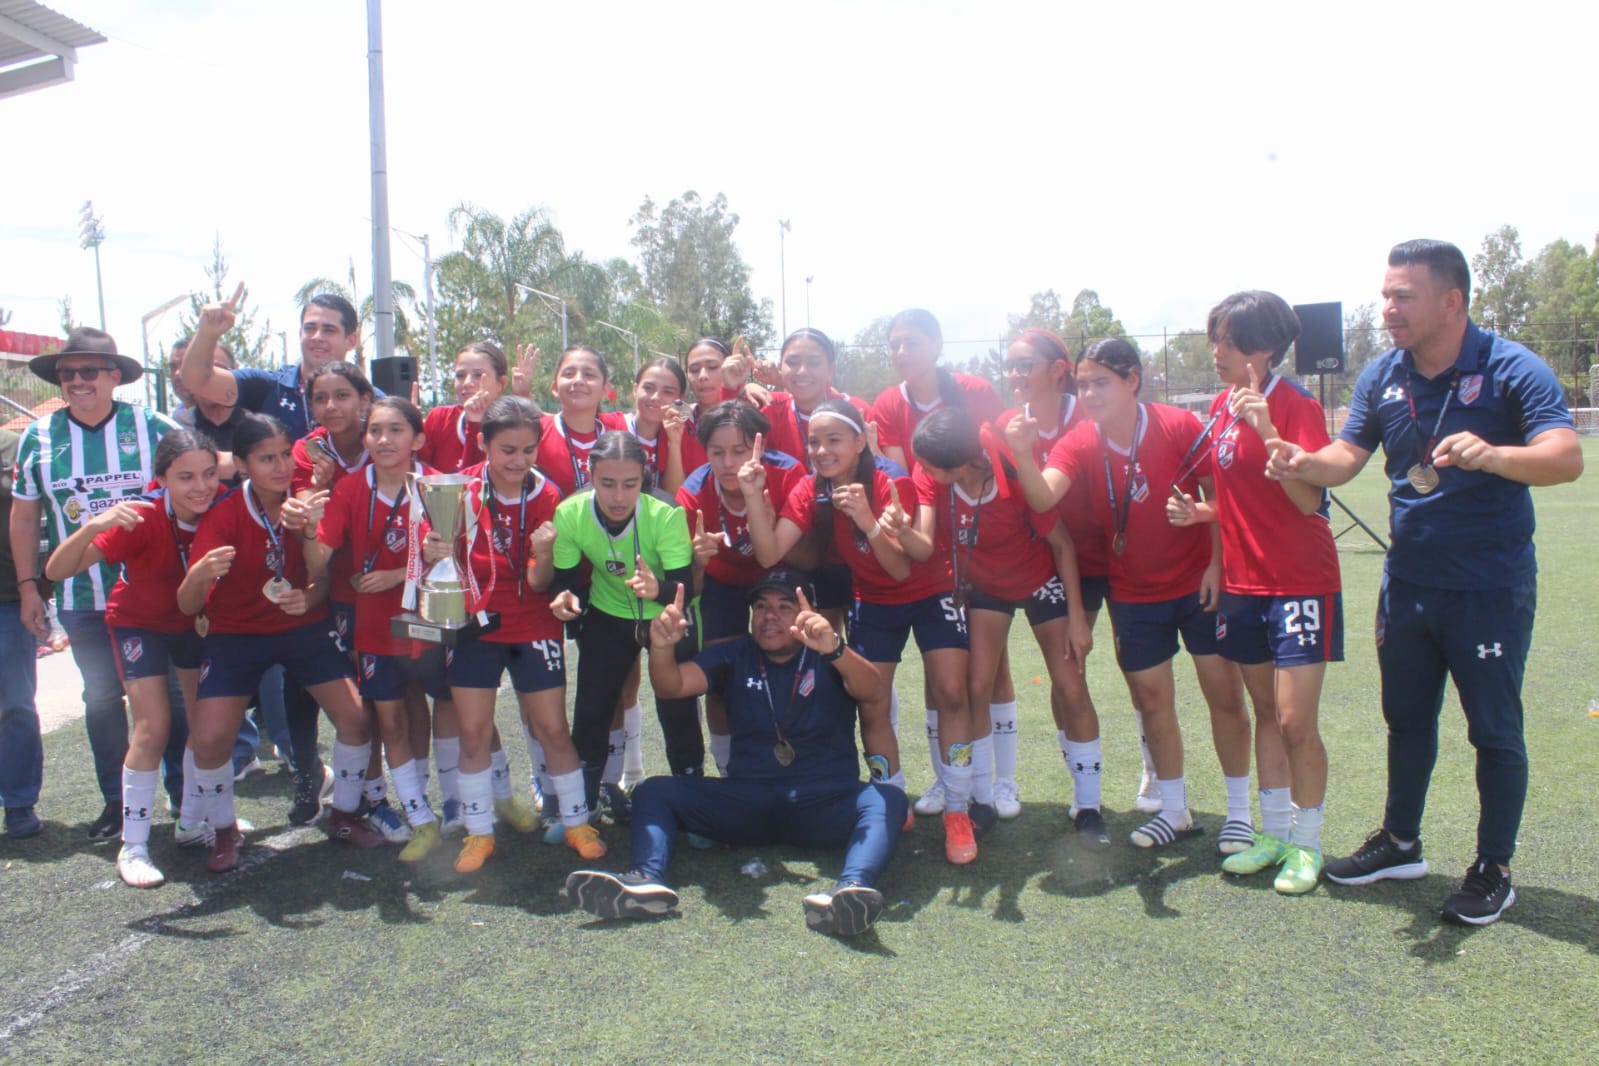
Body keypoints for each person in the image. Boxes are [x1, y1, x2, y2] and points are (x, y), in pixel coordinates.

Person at [1267, 240, 1583, 924]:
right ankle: (1399, 841)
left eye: (1401, 296)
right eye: (1384, 295)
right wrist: (1302, 460)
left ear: (1450, 300)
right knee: (1406, 721)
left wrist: (1496, 454)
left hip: (1487, 589)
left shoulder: (1508, 368)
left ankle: (1492, 868)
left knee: (1493, 732)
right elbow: (1345, 457)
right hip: (1406, 585)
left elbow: (1565, 457)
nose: (1386, 309)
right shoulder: (1384, 373)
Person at [1008, 338, 1255, 853]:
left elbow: (1218, 494)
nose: (1091, 393)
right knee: (1152, 701)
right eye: (1083, 384)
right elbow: (1043, 495)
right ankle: (1174, 810)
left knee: (1224, 694)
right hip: (1136, 593)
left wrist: (1216, 562)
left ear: (1132, 381)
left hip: (1196, 585)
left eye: (1102, 382)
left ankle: (1239, 812)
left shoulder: (1177, 425)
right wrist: (1021, 454)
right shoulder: (1078, 442)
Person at [565, 570, 906, 937]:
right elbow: (672, 686)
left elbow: (873, 692)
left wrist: (835, 648)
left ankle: (850, 891)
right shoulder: (734, 653)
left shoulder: (827, 654)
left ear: (808, 612)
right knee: (654, 791)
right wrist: (662, 648)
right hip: (749, 801)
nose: (769, 616)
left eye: (783, 606)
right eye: (760, 607)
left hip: (822, 801)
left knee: (887, 798)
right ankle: (645, 879)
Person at [742, 401, 986, 865]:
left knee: (952, 692)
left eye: (834, 439)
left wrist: (867, 521)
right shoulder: (808, 488)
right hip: (874, 599)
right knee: (872, 699)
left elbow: (899, 567)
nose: (821, 450)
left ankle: (958, 810)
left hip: (930, 589)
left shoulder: (890, 479)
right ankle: (892, 801)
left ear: (859, 441)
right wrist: (754, 494)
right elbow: (770, 553)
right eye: (814, 441)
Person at [1168, 292, 1342, 895]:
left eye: (1231, 342)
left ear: (1265, 349)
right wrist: (1207, 534)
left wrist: (1267, 429)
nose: (1218, 352)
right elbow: (1236, 500)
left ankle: (1308, 844)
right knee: (1265, 712)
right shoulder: (1218, 407)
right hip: (1242, 583)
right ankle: (1270, 837)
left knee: (1296, 720)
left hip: (1298, 581)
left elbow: (1309, 502)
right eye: (1215, 339)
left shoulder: (1293, 406)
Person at [886, 407, 1103, 844]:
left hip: (1041, 580)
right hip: (985, 589)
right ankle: (981, 799)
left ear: (962, 463)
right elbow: (925, 543)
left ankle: (1089, 806)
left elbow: (1061, 544)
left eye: (928, 465)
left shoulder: (1008, 473)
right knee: (976, 687)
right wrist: (900, 531)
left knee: (1072, 686)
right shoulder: (933, 479)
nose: (920, 472)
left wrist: (1078, 618)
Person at [177, 413, 384, 872]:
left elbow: (323, 580)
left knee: (355, 719)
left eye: (284, 456)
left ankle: (345, 815)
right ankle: (224, 830)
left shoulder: (308, 502)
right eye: (264, 459)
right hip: (236, 633)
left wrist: (308, 587)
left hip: (301, 626)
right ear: (244, 464)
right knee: (210, 739)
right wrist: (198, 575)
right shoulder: (224, 514)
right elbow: (190, 604)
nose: (279, 467)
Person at [10, 326, 180, 841]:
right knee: (102, 698)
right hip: (82, 597)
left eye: (89, 371)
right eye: (67, 374)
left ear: (114, 377)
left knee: (168, 695)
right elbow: (23, 517)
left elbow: (198, 475)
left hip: (155, 593)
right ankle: (118, 802)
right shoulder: (37, 437)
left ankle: (184, 798)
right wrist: (27, 587)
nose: (77, 382)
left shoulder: (151, 426)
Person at [424, 396, 605, 873]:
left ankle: (575, 821)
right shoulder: (457, 489)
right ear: (484, 444)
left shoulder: (549, 495)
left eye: (528, 450)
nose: (518, 461)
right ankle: (479, 833)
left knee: (551, 729)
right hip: (475, 624)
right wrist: (432, 547)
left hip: (532, 622)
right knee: (473, 732)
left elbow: (541, 583)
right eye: (507, 450)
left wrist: (543, 553)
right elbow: (436, 560)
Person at [44, 431, 222, 886]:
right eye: (185, 477)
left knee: (205, 729)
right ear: (160, 479)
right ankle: (134, 845)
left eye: (207, 474)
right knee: (153, 727)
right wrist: (95, 524)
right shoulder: (140, 517)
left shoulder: (224, 504)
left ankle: (190, 822)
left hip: (193, 623)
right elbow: (56, 571)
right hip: (139, 624)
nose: (200, 486)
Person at [306, 397, 445, 862]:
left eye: (395, 430)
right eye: (375, 431)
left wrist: (398, 576)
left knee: (447, 708)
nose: (383, 440)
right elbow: (319, 559)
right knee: (389, 719)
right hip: (374, 628)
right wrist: (308, 531)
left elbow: (457, 564)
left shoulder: (438, 488)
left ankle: (465, 805)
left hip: (429, 623)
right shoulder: (348, 490)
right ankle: (420, 817)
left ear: (418, 439)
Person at [549, 432, 702, 815]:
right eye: (607, 484)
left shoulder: (664, 512)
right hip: (608, 611)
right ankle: (584, 804)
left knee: (677, 706)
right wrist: (565, 598)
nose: (619, 497)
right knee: (592, 705)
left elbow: (683, 589)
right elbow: (566, 583)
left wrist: (659, 588)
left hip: (665, 616)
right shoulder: (570, 512)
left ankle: (693, 800)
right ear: (590, 473)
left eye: (630, 485)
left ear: (644, 477)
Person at [676, 401, 806, 774]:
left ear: (760, 447)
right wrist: (698, 563)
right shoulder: (692, 494)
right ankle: (729, 769)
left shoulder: (787, 473)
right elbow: (694, 589)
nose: (729, 462)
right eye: (718, 452)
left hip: (779, 572)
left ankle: (799, 759)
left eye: (739, 450)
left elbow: (798, 553)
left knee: (796, 667)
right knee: (722, 677)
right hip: (722, 580)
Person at [180, 287, 362, 441]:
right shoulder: (269, 387)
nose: (317, 337)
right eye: (310, 328)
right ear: (300, 334)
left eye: (329, 330)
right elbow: (197, 381)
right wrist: (207, 334)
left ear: (351, 340)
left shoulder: (369, 399)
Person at [870, 308, 1004, 474]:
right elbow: (900, 477)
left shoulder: (976, 390)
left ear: (937, 346)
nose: (901, 352)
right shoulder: (887, 404)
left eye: (911, 343)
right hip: (919, 498)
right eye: (894, 345)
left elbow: (1001, 455)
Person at [0, 426, 44, 839]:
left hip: (7, 598)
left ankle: (18, 801)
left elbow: (32, 515)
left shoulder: (16, 446)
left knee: (14, 704)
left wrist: (33, 588)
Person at [758, 328, 872, 472]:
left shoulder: (855, 410)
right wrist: (735, 388)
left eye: (813, 363)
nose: (802, 371)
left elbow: (882, 470)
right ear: (780, 367)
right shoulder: (767, 407)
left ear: (831, 369)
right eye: (792, 363)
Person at [602, 357, 704, 497]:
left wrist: (674, 443)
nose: (656, 397)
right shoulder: (609, 426)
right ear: (635, 389)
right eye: (648, 388)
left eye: (667, 392)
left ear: (680, 399)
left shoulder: (681, 434)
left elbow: (674, 496)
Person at [418, 341, 509, 474]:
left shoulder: (513, 426)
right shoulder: (439, 419)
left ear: (501, 383)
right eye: (460, 376)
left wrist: (475, 423)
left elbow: (479, 486)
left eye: (478, 375)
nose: (467, 383)